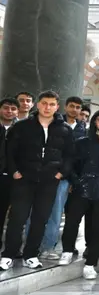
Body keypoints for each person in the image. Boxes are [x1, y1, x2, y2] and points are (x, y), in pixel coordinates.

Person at [0, 91, 74, 271]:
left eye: (51, 104)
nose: (47, 107)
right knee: (17, 218)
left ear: (57, 107)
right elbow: (10, 152)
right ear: (38, 105)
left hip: (49, 181)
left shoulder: (64, 129)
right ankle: (8, 254)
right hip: (24, 179)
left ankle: (30, 254)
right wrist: (15, 172)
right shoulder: (22, 126)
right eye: (44, 103)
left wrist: (60, 174)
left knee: (40, 219)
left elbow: (70, 155)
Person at [59, 110, 99, 279]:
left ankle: (91, 263)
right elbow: (71, 165)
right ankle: (67, 251)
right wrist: (76, 182)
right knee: (72, 221)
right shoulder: (82, 143)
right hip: (81, 190)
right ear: (94, 122)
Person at [39, 96, 88, 260]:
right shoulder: (55, 126)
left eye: (78, 107)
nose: (75, 109)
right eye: (72, 106)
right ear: (65, 107)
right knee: (38, 211)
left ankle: (52, 246)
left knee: (60, 213)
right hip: (50, 174)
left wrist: (73, 179)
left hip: (69, 179)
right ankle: (32, 245)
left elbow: (77, 158)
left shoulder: (84, 131)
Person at [0, 97, 18, 252]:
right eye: (6, 108)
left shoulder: (20, 129)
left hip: (13, 177)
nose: (9, 111)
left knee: (12, 213)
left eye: (13, 109)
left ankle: (12, 247)